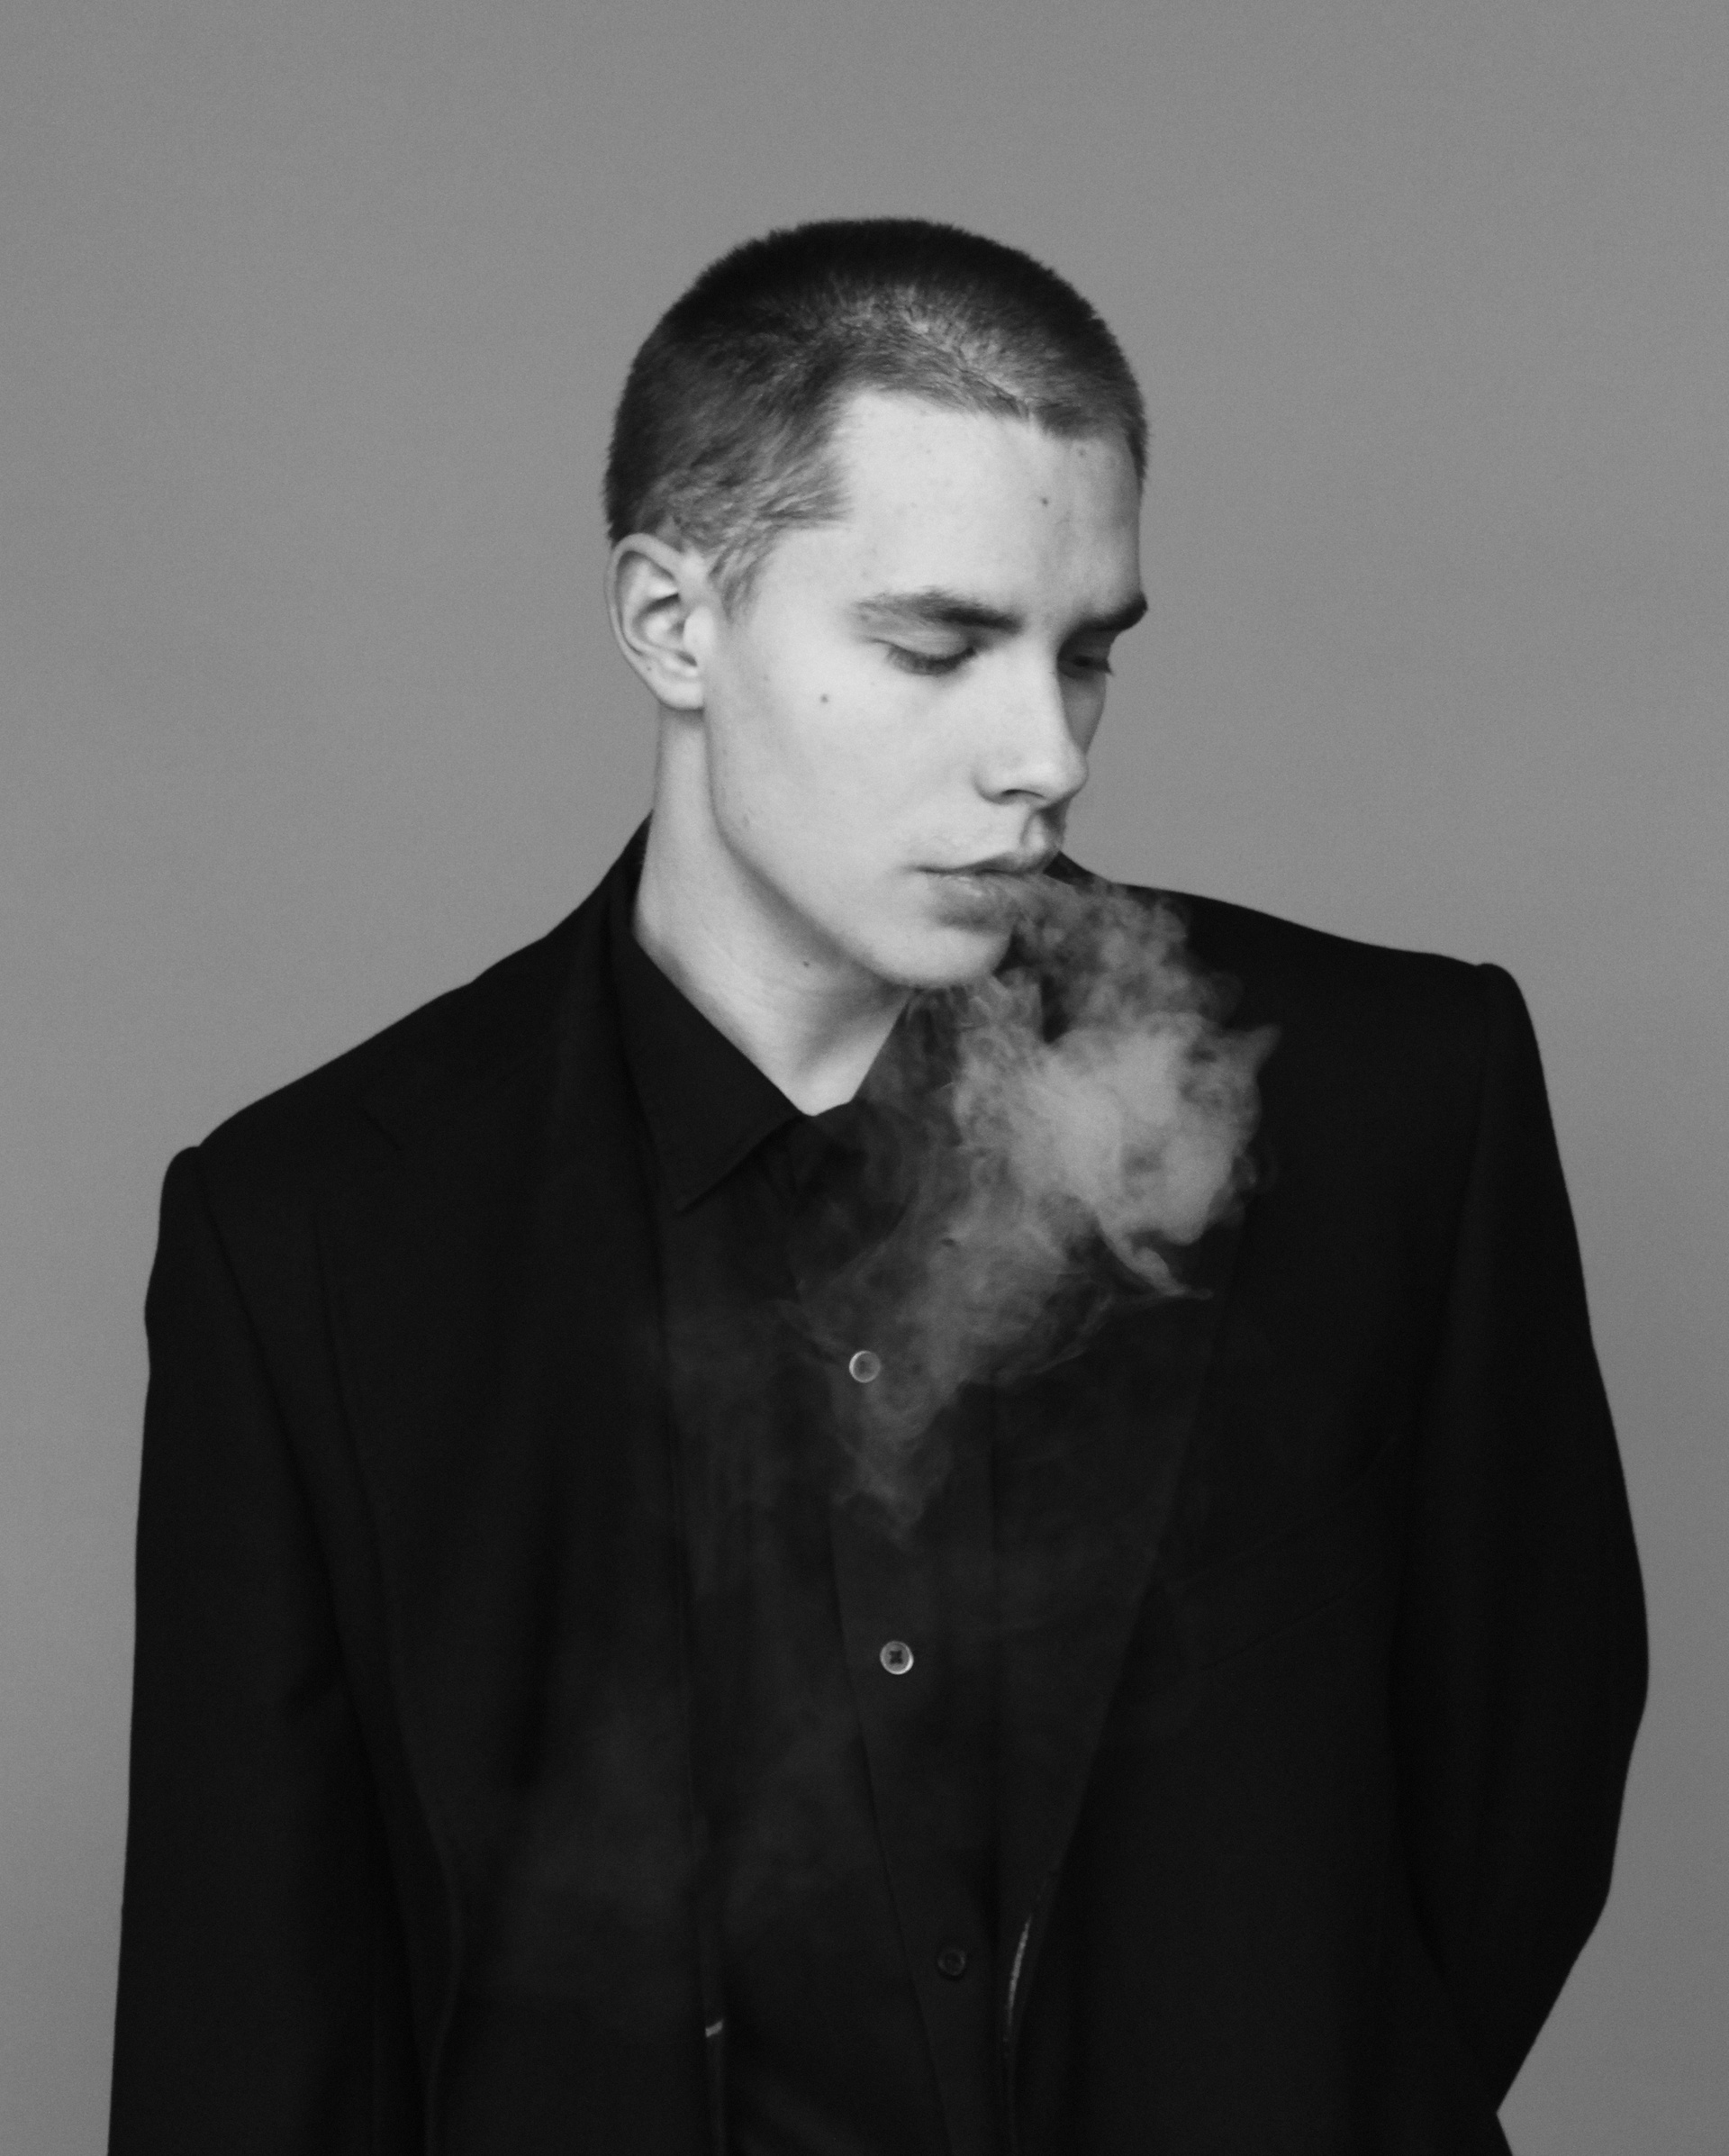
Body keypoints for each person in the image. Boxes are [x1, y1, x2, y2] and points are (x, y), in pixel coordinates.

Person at [108, 220, 1646, 2155]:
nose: (1043, 754)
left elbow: (1517, 1787)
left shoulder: (1387, 1103)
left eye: (1087, 653)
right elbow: (253, 2024)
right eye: (937, 648)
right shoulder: (317, 1238)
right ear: (672, 620)